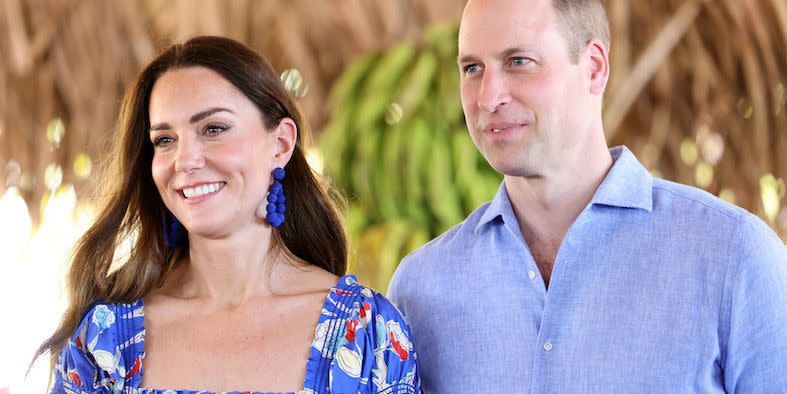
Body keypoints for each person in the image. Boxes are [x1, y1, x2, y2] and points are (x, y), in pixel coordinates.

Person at [387, 0, 787, 392]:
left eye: (518, 62)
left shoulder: (735, 258)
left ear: (594, 67)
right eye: (472, 68)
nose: (488, 98)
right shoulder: (419, 290)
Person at [34, 36, 420, 393]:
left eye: (214, 128)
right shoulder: (106, 344)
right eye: (165, 140)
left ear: (281, 144)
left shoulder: (370, 334)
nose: (185, 160)